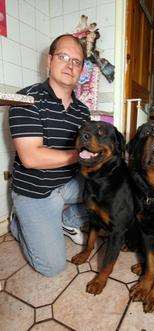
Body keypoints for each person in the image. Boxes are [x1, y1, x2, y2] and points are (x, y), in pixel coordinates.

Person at [9, 34, 91, 277]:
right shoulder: (26, 100)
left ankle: (65, 219)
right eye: (63, 57)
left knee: (111, 192)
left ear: (81, 70)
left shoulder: (82, 110)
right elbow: (32, 158)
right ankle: (18, 223)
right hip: (35, 191)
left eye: (76, 61)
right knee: (52, 267)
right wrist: (80, 155)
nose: (70, 65)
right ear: (49, 60)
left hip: (68, 185)